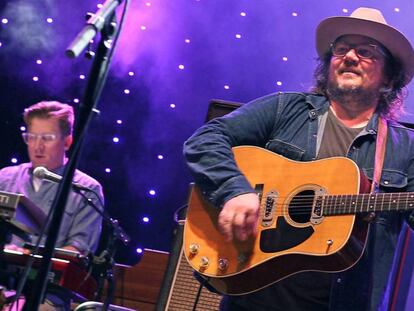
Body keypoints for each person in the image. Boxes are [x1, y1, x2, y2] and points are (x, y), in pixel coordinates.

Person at [183, 7, 414, 311]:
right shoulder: (284, 110)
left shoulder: (406, 148)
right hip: (255, 298)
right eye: (341, 49)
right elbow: (205, 139)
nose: (349, 57)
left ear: (388, 79)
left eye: (365, 52)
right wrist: (235, 191)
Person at [0, 101, 104, 310]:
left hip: (48, 292)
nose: (37, 146)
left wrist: (28, 257)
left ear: (67, 142)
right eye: (31, 137)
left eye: (47, 138)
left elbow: (78, 250)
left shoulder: (87, 189)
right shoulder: (5, 178)